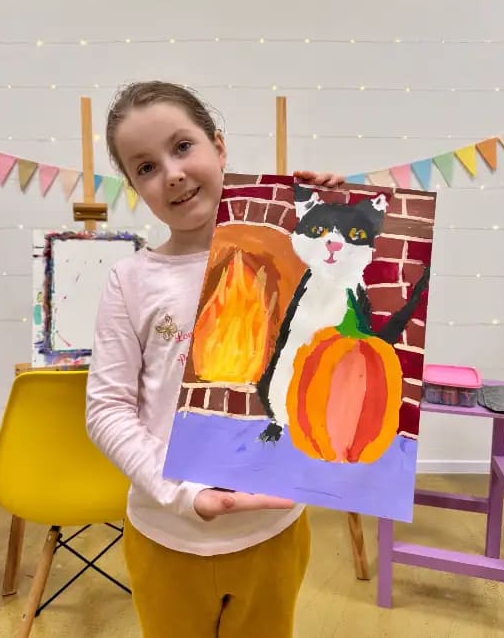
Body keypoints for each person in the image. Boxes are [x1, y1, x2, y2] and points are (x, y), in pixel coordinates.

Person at [86, 80, 344, 638]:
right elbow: (106, 410)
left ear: (219, 148)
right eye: (146, 167)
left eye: (183, 147)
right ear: (135, 187)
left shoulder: (291, 253)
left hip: (271, 527)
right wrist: (185, 494)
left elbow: (340, 345)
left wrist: (332, 223)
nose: (172, 173)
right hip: (166, 535)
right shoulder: (130, 280)